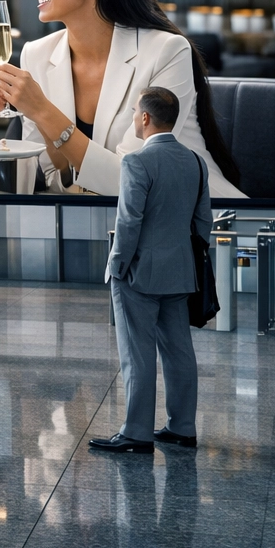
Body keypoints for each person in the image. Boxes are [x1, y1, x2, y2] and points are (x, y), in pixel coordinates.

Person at [0, 0, 243, 197]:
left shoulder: (166, 52)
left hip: (197, 224)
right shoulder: (36, 55)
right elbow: (54, 175)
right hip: (104, 225)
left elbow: (134, 180)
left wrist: (41, 110)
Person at [89, 87, 210, 454]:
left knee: (137, 354)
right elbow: (202, 223)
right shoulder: (195, 161)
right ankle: (182, 427)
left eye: (134, 112)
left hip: (138, 274)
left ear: (145, 118)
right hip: (180, 272)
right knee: (179, 351)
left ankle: (137, 433)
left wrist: (117, 266)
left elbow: (129, 222)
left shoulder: (137, 162)